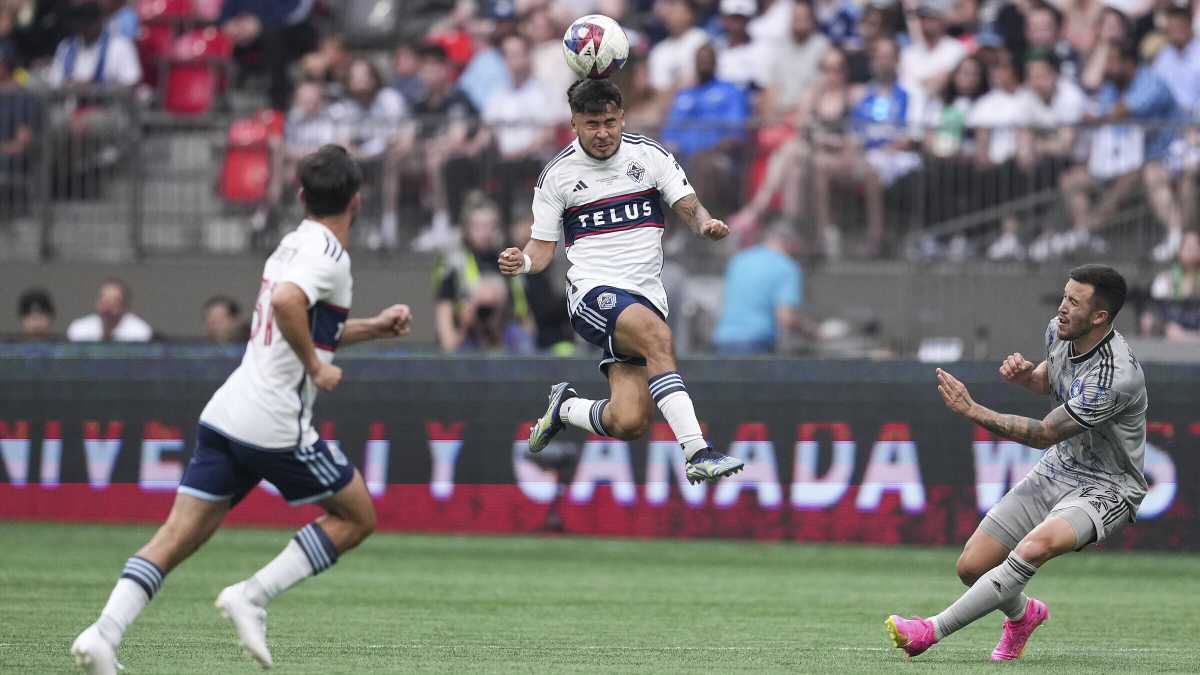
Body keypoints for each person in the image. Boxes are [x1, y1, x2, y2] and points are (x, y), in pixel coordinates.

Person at [70, 145, 413, 675]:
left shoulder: (292, 243)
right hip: (273, 420)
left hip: (229, 410)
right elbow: (286, 305)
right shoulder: (330, 255)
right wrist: (316, 368)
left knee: (178, 535)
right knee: (357, 516)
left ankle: (102, 633)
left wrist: (373, 328)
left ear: (301, 195)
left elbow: (301, 320)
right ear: (357, 201)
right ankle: (251, 596)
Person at [887, 264, 1147, 662]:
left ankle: (929, 630)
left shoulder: (1116, 376)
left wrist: (972, 410)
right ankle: (1024, 615)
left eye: (1074, 302)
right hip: (1060, 466)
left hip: (1107, 486)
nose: (1061, 308)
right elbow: (1052, 378)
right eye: (1064, 296)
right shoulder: (1058, 331)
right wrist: (1027, 377)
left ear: (1099, 317)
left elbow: (1044, 432)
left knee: (1034, 546)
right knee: (972, 567)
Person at [497, 78, 744, 485]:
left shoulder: (649, 155)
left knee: (629, 421)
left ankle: (565, 409)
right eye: (592, 124)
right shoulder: (557, 175)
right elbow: (541, 250)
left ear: (622, 118)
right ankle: (697, 451)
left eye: (610, 122)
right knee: (658, 338)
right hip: (592, 294)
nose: (603, 133)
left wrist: (705, 224)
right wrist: (521, 261)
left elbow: (689, 205)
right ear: (574, 123)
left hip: (645, 297)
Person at [661, 43, 751, 218]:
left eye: (708, 61)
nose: (704, 65)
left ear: (716, 63)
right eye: (700, 61)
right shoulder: (684, 95)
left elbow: (736, 134)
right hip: (682, 158)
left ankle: (698, 224)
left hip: (718, 157)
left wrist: (709, 152)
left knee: (702, 164)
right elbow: (669, 134)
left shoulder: (730, 92)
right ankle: (663, 227)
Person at [712, 224, 810, 354]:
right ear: (791, 244)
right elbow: (786, 317)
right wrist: (814, 332)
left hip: (723, 339)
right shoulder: (787, 267)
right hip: (757, 343)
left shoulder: (738, 261)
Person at [1142, 229, 1200, 341]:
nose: (1191, 251)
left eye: (1196, 247)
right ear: (1180, 250)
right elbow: (1157, 310)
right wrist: (1166, 327)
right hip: (1171, 330)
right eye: (1188, 247)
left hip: (1195, 331)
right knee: (1148, 320)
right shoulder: (1165, 279)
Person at [66, 278, 153, 342]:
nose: (107, 305)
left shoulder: (139, 332)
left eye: (114, 300)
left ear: (125, 306)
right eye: (103, 299)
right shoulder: (79, 329)